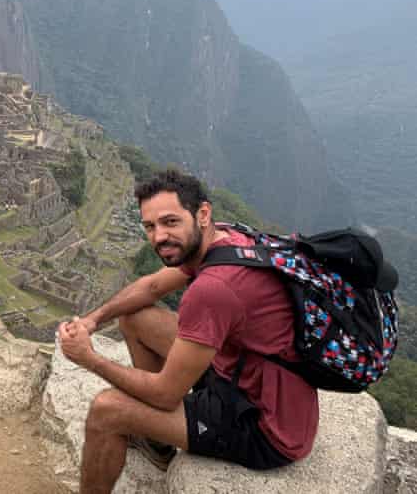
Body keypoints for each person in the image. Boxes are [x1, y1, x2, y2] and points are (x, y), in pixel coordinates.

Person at [57, 168, 317, 494]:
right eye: (150, 226)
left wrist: (89, 358)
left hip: (263, 425)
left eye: (170, 222)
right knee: (134, 317)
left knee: (106, 411)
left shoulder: (214, 289)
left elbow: (165, 395)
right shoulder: (227, 238)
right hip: (242, 375)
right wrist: (94, 319)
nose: (158, 236)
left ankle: (145, 430)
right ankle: (157, 442)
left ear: (202, 214)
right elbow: (151, 287)